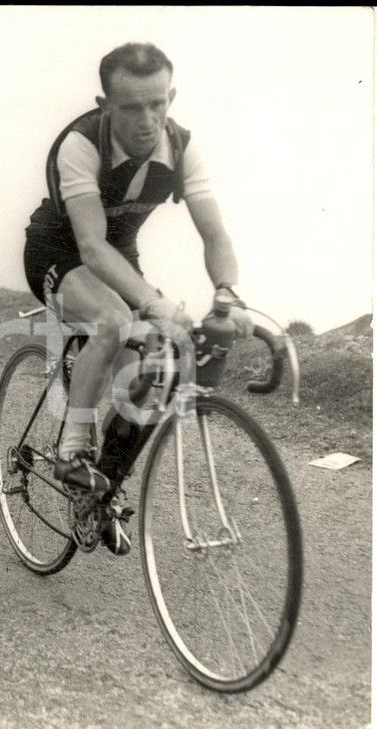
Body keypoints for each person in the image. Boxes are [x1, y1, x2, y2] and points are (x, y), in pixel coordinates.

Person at [22, 42, 253, 555]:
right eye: (131, 108)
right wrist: (153, 303)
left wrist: (227, 292)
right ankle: (71, 451)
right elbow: (90, 246)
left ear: (171, 96)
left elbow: (215, 236)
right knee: (111, 322)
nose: (147, 120)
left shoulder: (183, 148)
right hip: (58, 249)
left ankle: (99, 487)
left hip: (118, 255)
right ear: (105, 104)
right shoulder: (81, 144)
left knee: (148, 372)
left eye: (158, 104)